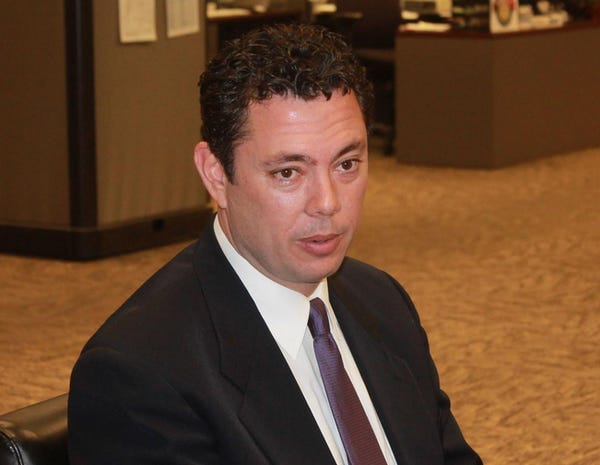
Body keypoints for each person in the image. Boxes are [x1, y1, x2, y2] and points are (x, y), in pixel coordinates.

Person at [68, 23, 482, 465]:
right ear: (215, 174)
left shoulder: (383, 301)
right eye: (288, 172)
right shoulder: (140, 372)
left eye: (346, 164)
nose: (327, 203)